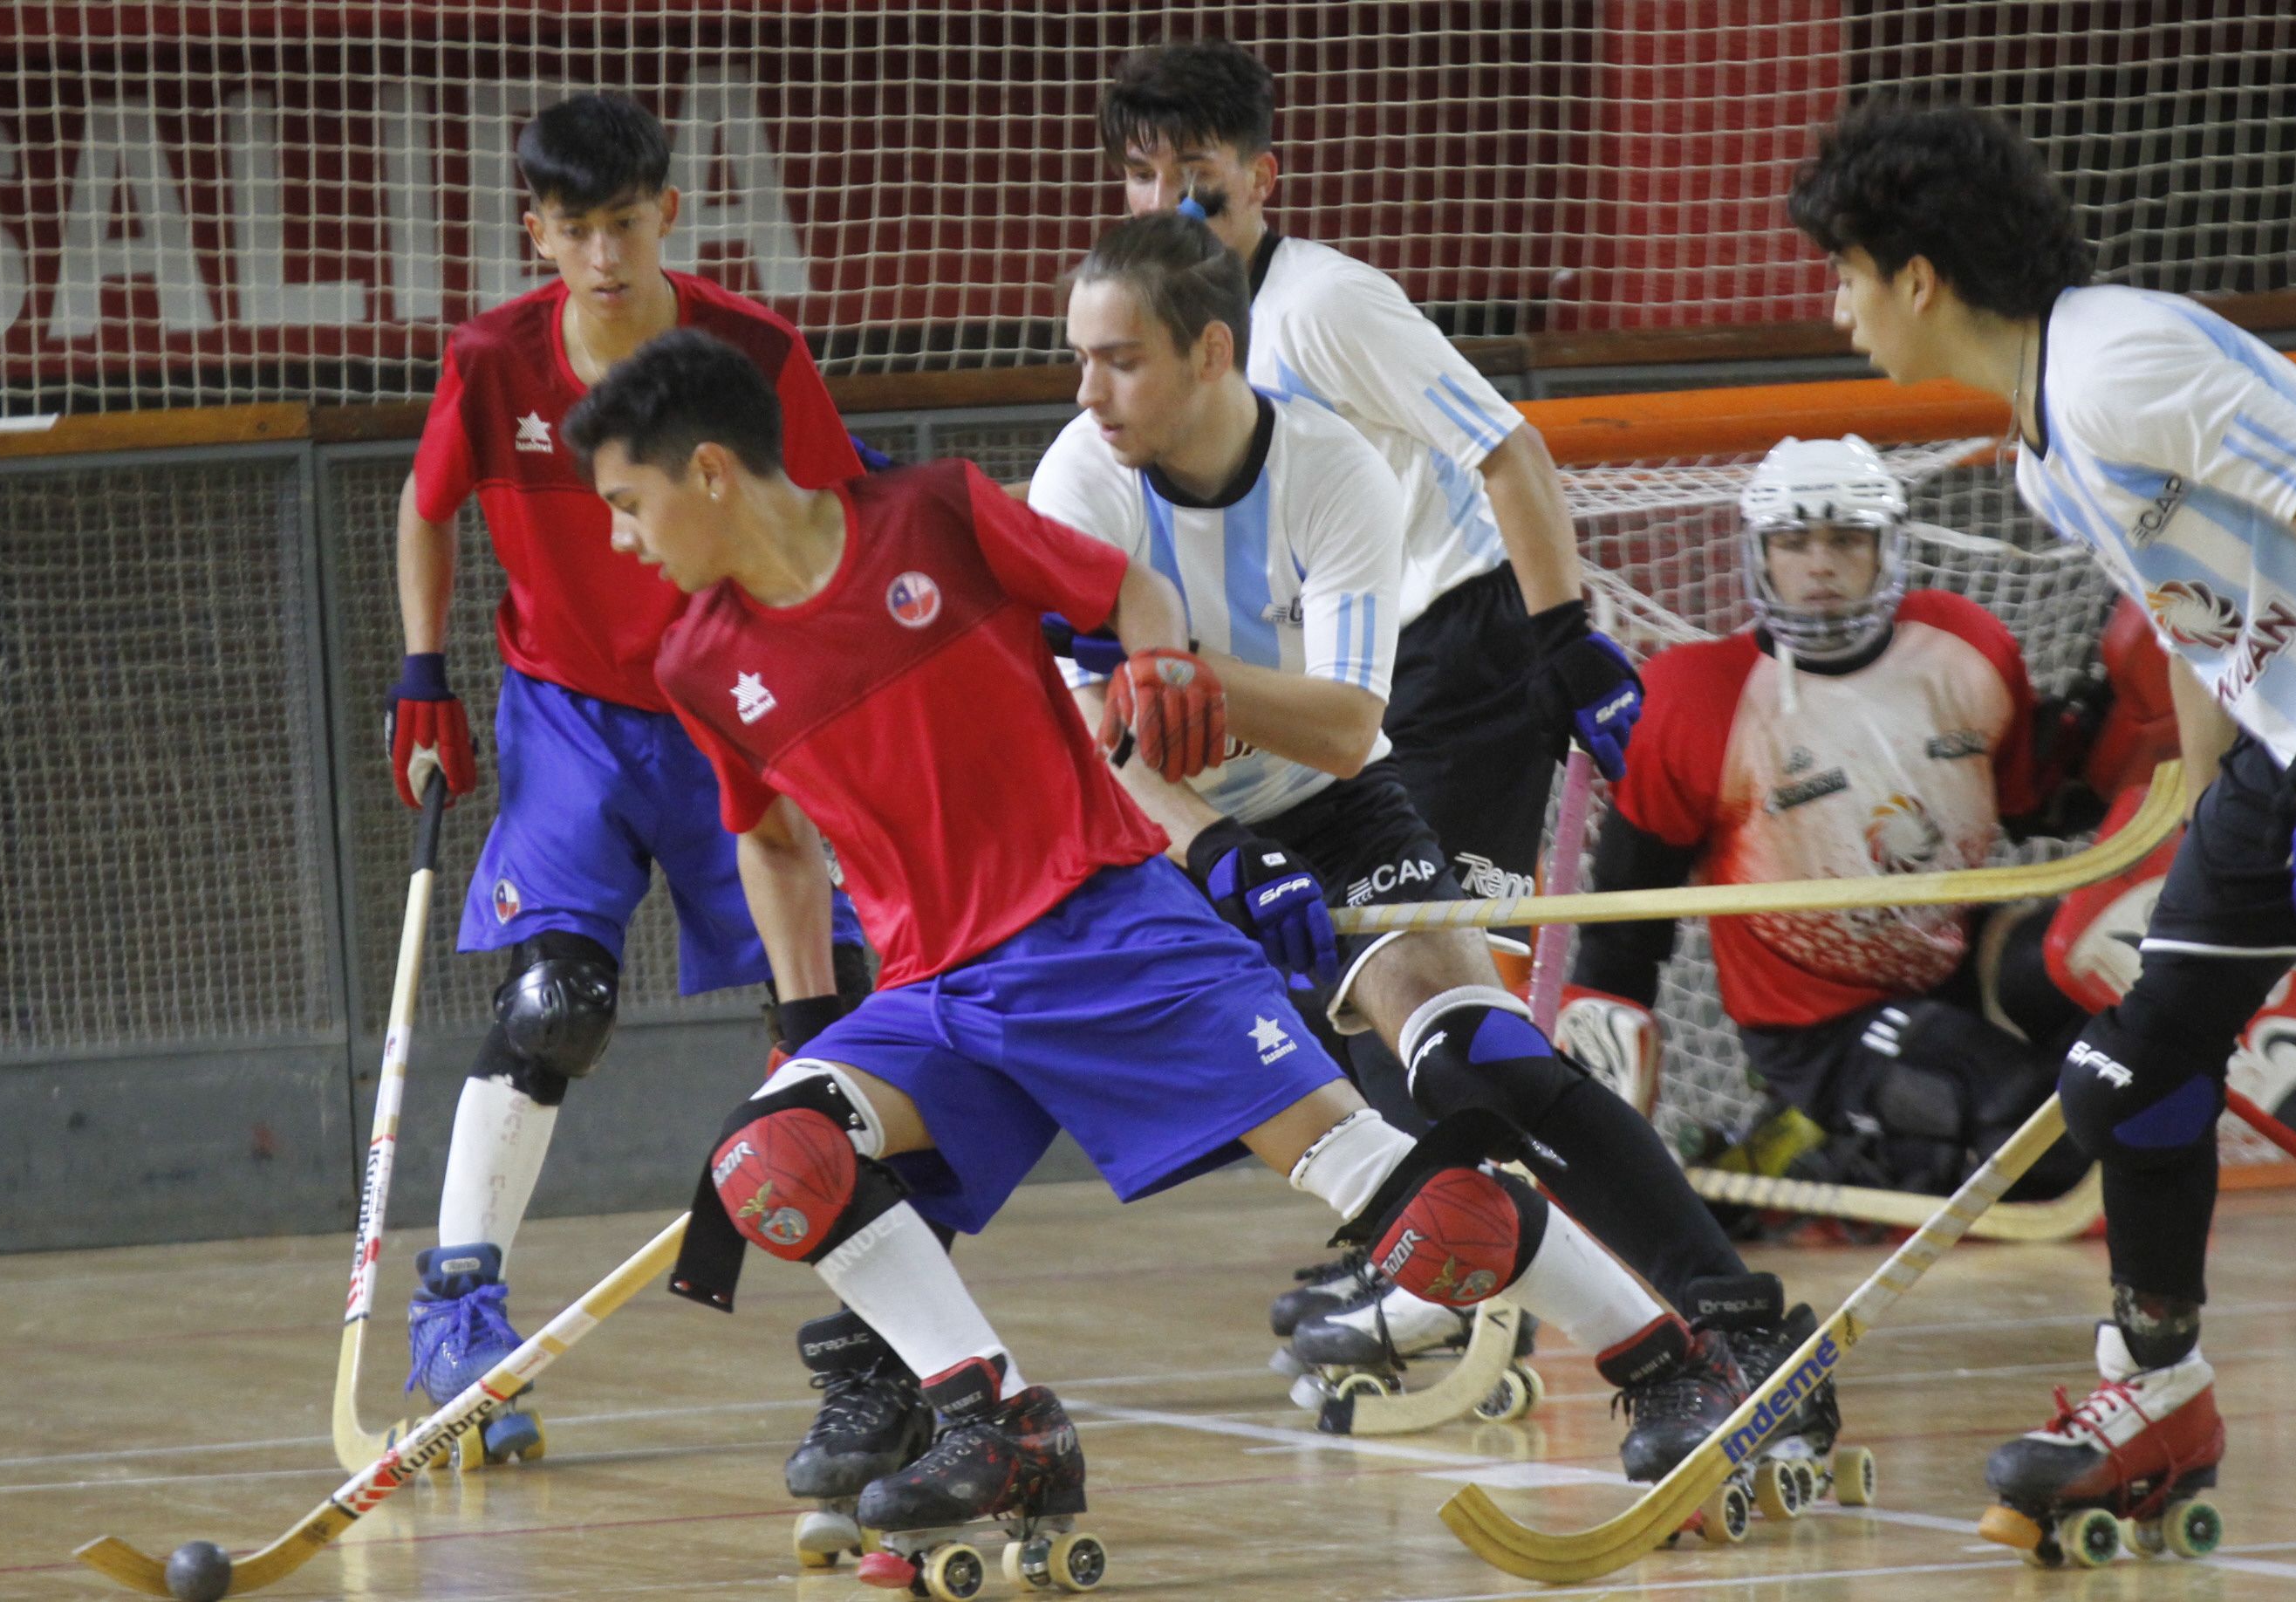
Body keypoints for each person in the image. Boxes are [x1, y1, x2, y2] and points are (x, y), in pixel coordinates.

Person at [568, 327, 1691, 1582]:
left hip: (1110, 932)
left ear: (710, 471)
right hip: (939, 992)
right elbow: (773, 846)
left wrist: (1157, 667)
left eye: (627, 503)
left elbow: (1123, 592)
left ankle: (1669, 1362)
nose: (622, 538)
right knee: (773, 1152)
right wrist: (803, 1027)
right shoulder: (696, 661)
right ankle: (998, 1423)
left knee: (1424, 1212)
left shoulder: (935, 516)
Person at [1787, 98, 2296, 1552]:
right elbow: (2197, 613)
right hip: (2295, 745)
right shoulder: (2044, 446)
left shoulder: (2117, 364)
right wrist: (2199, 796)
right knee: (2131, 1069)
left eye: (1845, 273)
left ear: (1918, 274)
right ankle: (2153, 1397)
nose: (1837, 307)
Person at [1028, 212, 1839, 1480]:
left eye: (1119, 360)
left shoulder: (1333, 466)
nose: (1087, 392)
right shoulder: (1076, 484)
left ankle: (1733, 1334)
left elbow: (1351, 728)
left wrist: (1197, 682)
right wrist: (1214, 845)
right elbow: (1100, 742)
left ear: (1210, 353)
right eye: (1079, 358)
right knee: (980, 1071)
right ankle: (917, 1387)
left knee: (1477, 1057)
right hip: (1150, 835)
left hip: (1332, 806)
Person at [1090, 42, 1763, 1385]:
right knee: (1358, 995)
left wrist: (1566, 642)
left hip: (1455, 655)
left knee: (1443, 1001)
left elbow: (1506, 445)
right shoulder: (1136, 389)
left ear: (1263, 179)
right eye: (1143, 177)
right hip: (1333, 689)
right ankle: (1439, 1242)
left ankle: (1488, 1290)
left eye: (1197, 178)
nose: (1169, 205)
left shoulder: (1327, 306)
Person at [387, 92, 869, 1461]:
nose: (605, 255)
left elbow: (836, 517)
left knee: (837, 1019)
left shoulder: (755, 352)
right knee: (555, 1005)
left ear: (670, 210)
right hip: (572, 717)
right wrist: (421, 674)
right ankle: (458, 1312)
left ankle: (880, 1339)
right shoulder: (493, 361)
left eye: (626, 223)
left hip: (738, 703)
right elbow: (427, 505)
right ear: (534, 231)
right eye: (575, 228)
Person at [1562, 435, 2093, 1205]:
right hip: (1818, 1023)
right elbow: (1627, 915)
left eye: (1847, 539)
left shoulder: (1965, 645)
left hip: (1959, 958)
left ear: (1888, 548)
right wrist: (1592, 1095)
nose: (1820, 565)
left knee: (2112, 1002)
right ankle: (1811, 1145)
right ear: (1759, 554)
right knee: (2043, 1137)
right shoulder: (1695, 699)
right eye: (1794, 542)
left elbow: (2031, 802)